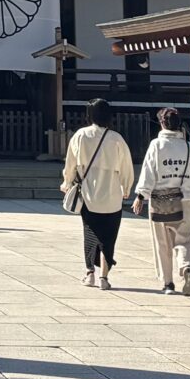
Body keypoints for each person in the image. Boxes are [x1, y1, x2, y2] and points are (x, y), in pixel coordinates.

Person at [132, 106, 190, 295]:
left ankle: (168, 283)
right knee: (184, 240)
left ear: (162, 123)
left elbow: (149, 171)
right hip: (185, 199)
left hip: (161, 200)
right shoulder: (187, 146)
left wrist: (140, 196)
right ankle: (186, 267)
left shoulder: (157, 145)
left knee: (162, 244)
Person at [63, 99, 130, 289]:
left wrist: (67, 182)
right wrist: (126, 187)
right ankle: (104, 278)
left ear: (89, 115)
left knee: (90, 233)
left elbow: (71, 162)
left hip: (89, 194)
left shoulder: (80, 136)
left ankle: (89, 273)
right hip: (112, 195)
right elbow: (126, 167)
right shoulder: (116, 139)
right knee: (109, 237)